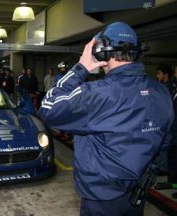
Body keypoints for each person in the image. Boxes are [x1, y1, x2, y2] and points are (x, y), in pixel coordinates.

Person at [38, 22, 174, 215]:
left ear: (102, 52)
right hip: (138, 191)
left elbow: (48, 108)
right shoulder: (161, 92)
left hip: (102, 197)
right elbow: (165, 140)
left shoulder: (97, 94)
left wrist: (81, 68)